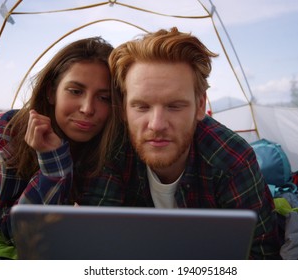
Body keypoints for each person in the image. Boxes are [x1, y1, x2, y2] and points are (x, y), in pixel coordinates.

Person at [107, 27, 281, 259]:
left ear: (200, 106)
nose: (157, 124)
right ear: (124, 109)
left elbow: (261, 257)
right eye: (142, 106)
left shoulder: (231, 159)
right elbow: (98, 249)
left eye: (175, 106)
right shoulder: (111, 151)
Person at [0, 37, 122, 244]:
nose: (88, 108)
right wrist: (53, 166)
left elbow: (98, 223)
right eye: (76, 91)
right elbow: (13, 228)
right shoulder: (8, 130)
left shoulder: (113, 141)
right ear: (52, 92)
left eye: (104, 98)